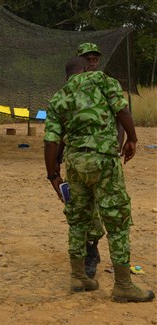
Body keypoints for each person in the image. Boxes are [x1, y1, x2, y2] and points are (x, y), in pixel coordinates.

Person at [44, 57, 154, 303]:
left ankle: (78, 276)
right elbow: (121, 110)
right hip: (104, 160)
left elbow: (51, 141)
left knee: (78, 218)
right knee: (117, 220)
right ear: (85, 68)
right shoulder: (101, 79)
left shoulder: (59, 97)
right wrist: (132, 139)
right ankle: (123, 284)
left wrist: (53, 175)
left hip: (75, 164)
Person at [57, 43, 125, 279]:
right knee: (84, 209)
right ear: (82, 62)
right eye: (89, 58)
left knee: (104, 206)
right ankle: (91, 251)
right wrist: (57, 163)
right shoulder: (69, 91)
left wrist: (115, 146)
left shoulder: (105, 84)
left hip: (105, 156)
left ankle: (91, 252)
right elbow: (63, 129)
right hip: (77, 159)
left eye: (96, 58)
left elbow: (120, 118)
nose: (93, 62)